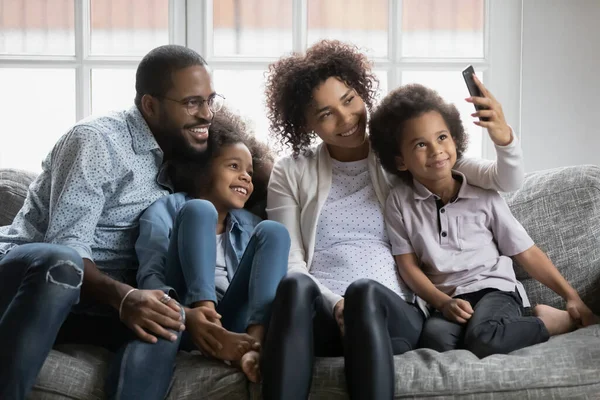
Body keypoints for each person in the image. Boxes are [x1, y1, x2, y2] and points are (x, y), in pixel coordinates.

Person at [261, 39, 528, 400]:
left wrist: (503, 138)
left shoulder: (404, 152)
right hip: (323, 315)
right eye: (325, 114)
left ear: (362, 92)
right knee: (293, 287)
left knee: (361, 293)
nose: (346, 119)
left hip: (391, 316)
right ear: (305, 123)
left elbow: (505, 181)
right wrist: (334, 304)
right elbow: (291, 261)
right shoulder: (290, 171)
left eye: (349, 99)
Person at [0, 44, 254, 399]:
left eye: (211, 100)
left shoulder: (184, 161)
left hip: (93, 303)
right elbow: (67, 245)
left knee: (162, 319)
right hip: (30, 282)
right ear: (150, 105)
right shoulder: (97, 141)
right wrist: (126, 297)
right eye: (192, 102)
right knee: (64, 264)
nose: (207, 114)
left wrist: (178, 313)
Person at [369, 82, 599, 357]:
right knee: (435, 344)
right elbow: (408, 267)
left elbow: (525, 252)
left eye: (442, 137)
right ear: (401, 161)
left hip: (495, 290)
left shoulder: (483, 195)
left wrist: (571, 296)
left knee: (484, 337)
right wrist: (442, 303)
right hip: (449, 300)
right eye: (420, 144)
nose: (436, 150)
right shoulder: (399, 202)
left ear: (455, 139)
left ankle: (549, 322)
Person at [132, 109, 290, 384]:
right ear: (203, 168)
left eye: (249, 172)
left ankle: (253, 346)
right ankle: (208, 321)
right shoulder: (167, 210)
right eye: (234, 167)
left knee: (274, 231)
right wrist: (188, 314)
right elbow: (150, 275)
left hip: (233, 320)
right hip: (186, 315)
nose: (246, 177)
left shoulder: (250, 224)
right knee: (199, 210)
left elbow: (263, 279)